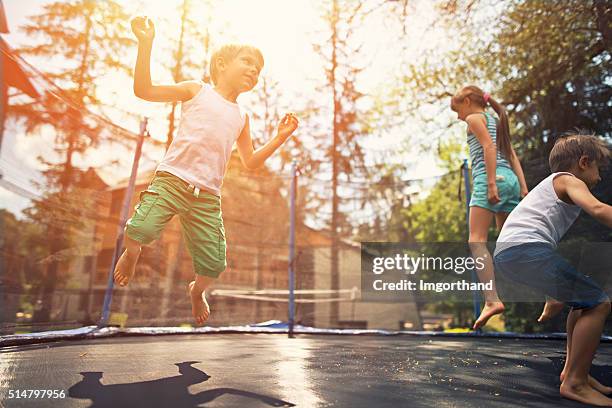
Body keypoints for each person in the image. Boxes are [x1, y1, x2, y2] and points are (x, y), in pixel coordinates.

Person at [113, 16, 299, 325]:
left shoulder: (242, 116)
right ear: (223, 63)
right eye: (248, 62)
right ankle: (132, 254)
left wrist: (279, 138)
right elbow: (143, 90)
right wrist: (145, 45)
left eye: (258, 70)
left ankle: (196, 291)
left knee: (214, 264)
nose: (254, 71)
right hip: (173, 180)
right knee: (139, 231)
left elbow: (251, 161)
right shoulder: (196, 90)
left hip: (207, 197)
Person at [494, 133, 612, 406]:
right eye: (597, 168)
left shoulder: (551, 186)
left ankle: (572, 372)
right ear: (584, 162)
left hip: (512, 252)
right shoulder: (568, 180)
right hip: (524, 250)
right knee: (599, 304)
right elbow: (597, 208)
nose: (600, 177)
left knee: (583, 303)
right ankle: (575, 382)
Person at [451, 85, 534, 329]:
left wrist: (489, 184)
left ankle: (491, 300)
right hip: (509, 178)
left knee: (476, 241)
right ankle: (551, 290)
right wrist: (523, 186)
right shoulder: (496, 120)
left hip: (491, 180)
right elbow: (512, 155)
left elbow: (488, 147)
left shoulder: (475, 118)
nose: (458, 117)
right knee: (510, 243)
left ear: (467, 101)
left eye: (458, 110)